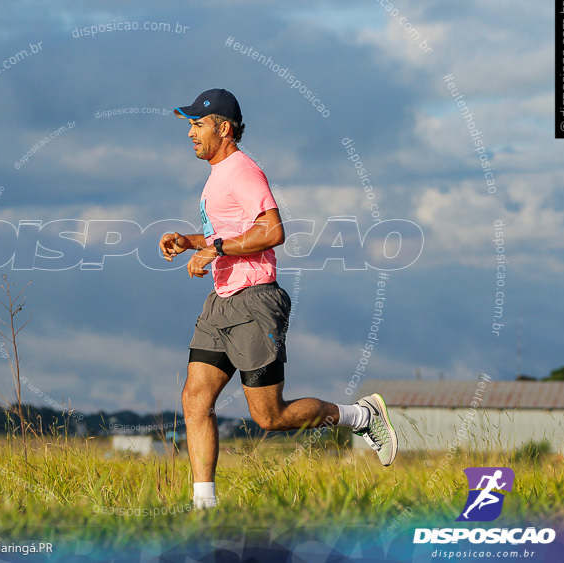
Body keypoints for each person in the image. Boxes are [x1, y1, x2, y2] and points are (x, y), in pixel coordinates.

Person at [159, 89, 398, 510]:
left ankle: (361, 416)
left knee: (269, 417)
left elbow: (272, 232)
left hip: (255, 302)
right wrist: (189, 241)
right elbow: (233, 233)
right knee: (195, 400)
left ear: (224, 128)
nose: (191, 134)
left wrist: (213, 248)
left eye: (198, 125)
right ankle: (204, 507)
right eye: (190, 126)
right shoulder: (217, 176)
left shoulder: (242, 171)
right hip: (221, 300)